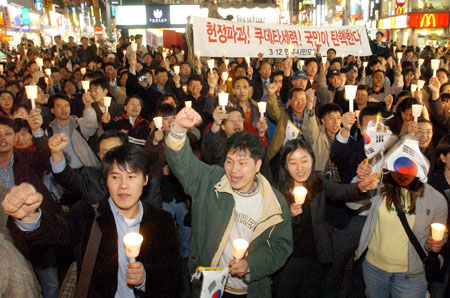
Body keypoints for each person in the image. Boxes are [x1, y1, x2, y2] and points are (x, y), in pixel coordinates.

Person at [3, 144, 183, 297]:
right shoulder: (89, 216)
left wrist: (145, 277)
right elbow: (57, 230)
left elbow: (174, 275)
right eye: (115, 177)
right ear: (106, 180)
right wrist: (29, 217)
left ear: (145, 180)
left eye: (131, 176)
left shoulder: (162, 221)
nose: (123, 185)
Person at [165, 107, 293, 297]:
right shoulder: (211, 181)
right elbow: (183, 164)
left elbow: (280, 246)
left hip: (249, 288)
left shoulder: (273, 203)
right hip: (210, 284)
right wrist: (178, 130)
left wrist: (251, 264)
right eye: (229, 161)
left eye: (242, 163)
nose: (234, 170)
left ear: (258, 165)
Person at [273, 139, 378, 297]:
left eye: (304, 161)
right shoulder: (278, 191)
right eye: (293, 162)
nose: (300, 168)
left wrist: (360, 187)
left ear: (312, 161)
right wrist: (289, 215)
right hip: (288, 260)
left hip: (315, 257)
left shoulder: (318, 182)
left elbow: (339, 191)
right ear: (285, 166)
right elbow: (273, 227)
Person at [356, 142, 448, 297]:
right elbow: (353, 205)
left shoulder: (436, 200)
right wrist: (360, 183)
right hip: (374, 270)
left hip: (410, 275)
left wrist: (435, 243)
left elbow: (439, 234)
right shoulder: (380, 188)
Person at [50, 129, 161, 208]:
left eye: (116, 150)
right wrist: (57, 154)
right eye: (105, 152)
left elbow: (155, 218)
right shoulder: (90, 176)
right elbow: (67, 178)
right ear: (99, 156)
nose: (111, 157)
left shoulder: (147, 181)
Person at [47, 94, 100, 169]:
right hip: (66, 173)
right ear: (52, 110)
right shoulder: (49, 131)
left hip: (86, 169)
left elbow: (90, 125)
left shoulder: (77, 123)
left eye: (66, 105)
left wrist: (88, 107)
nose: (64, 109)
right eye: (59, 106)